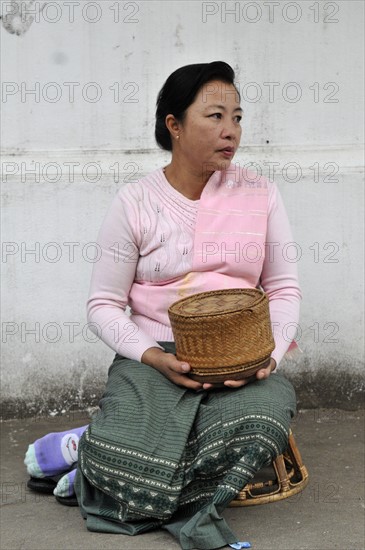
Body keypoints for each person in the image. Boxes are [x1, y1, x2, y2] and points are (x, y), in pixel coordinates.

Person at [24, 61, 302, 550]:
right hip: (156, 352)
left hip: (242, 358)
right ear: (173, 125)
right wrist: (154, 356)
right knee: (140, 434)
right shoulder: (135, 203)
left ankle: (98, 468)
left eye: (237, 117)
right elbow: (104, 304)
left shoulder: (260, 195)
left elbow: (283, 289)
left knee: (264, 421)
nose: (231, 131)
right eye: (215, 116)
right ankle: (104, 458)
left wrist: (269, 358)